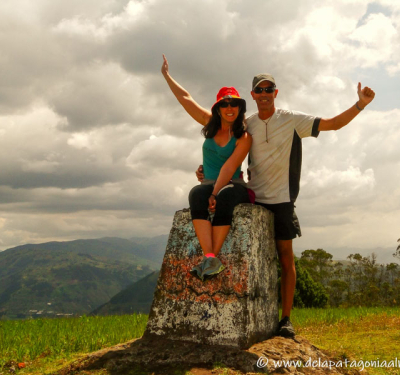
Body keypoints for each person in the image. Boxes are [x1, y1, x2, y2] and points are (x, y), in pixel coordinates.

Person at [198, 73, 376, 338]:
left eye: (269, 89)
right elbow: (222, 147)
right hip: (253, 198)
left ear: (276, 93)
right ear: (254, 95)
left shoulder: (292, 120)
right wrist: (207, 172)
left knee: (285, 258)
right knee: (243, 256)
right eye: (260, 90)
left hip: (281, 199)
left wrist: (360, 104)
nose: (265, 93)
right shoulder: (247, 124)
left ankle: (286, 319)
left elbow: (333, 124)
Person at [161, 55, 252, 281]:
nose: (230, 108)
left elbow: (230, 166)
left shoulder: (243, 135)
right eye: (225, 104)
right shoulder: (209, 123)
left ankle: (213, 257)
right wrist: (166, 76)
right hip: (209, 184)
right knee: (195, 194)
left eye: (234, 104)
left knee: (225, 199)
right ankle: (209, 256)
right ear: (219, 108)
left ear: (240, 108)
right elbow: (186, 98)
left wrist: (214, 193)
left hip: (233, 184)